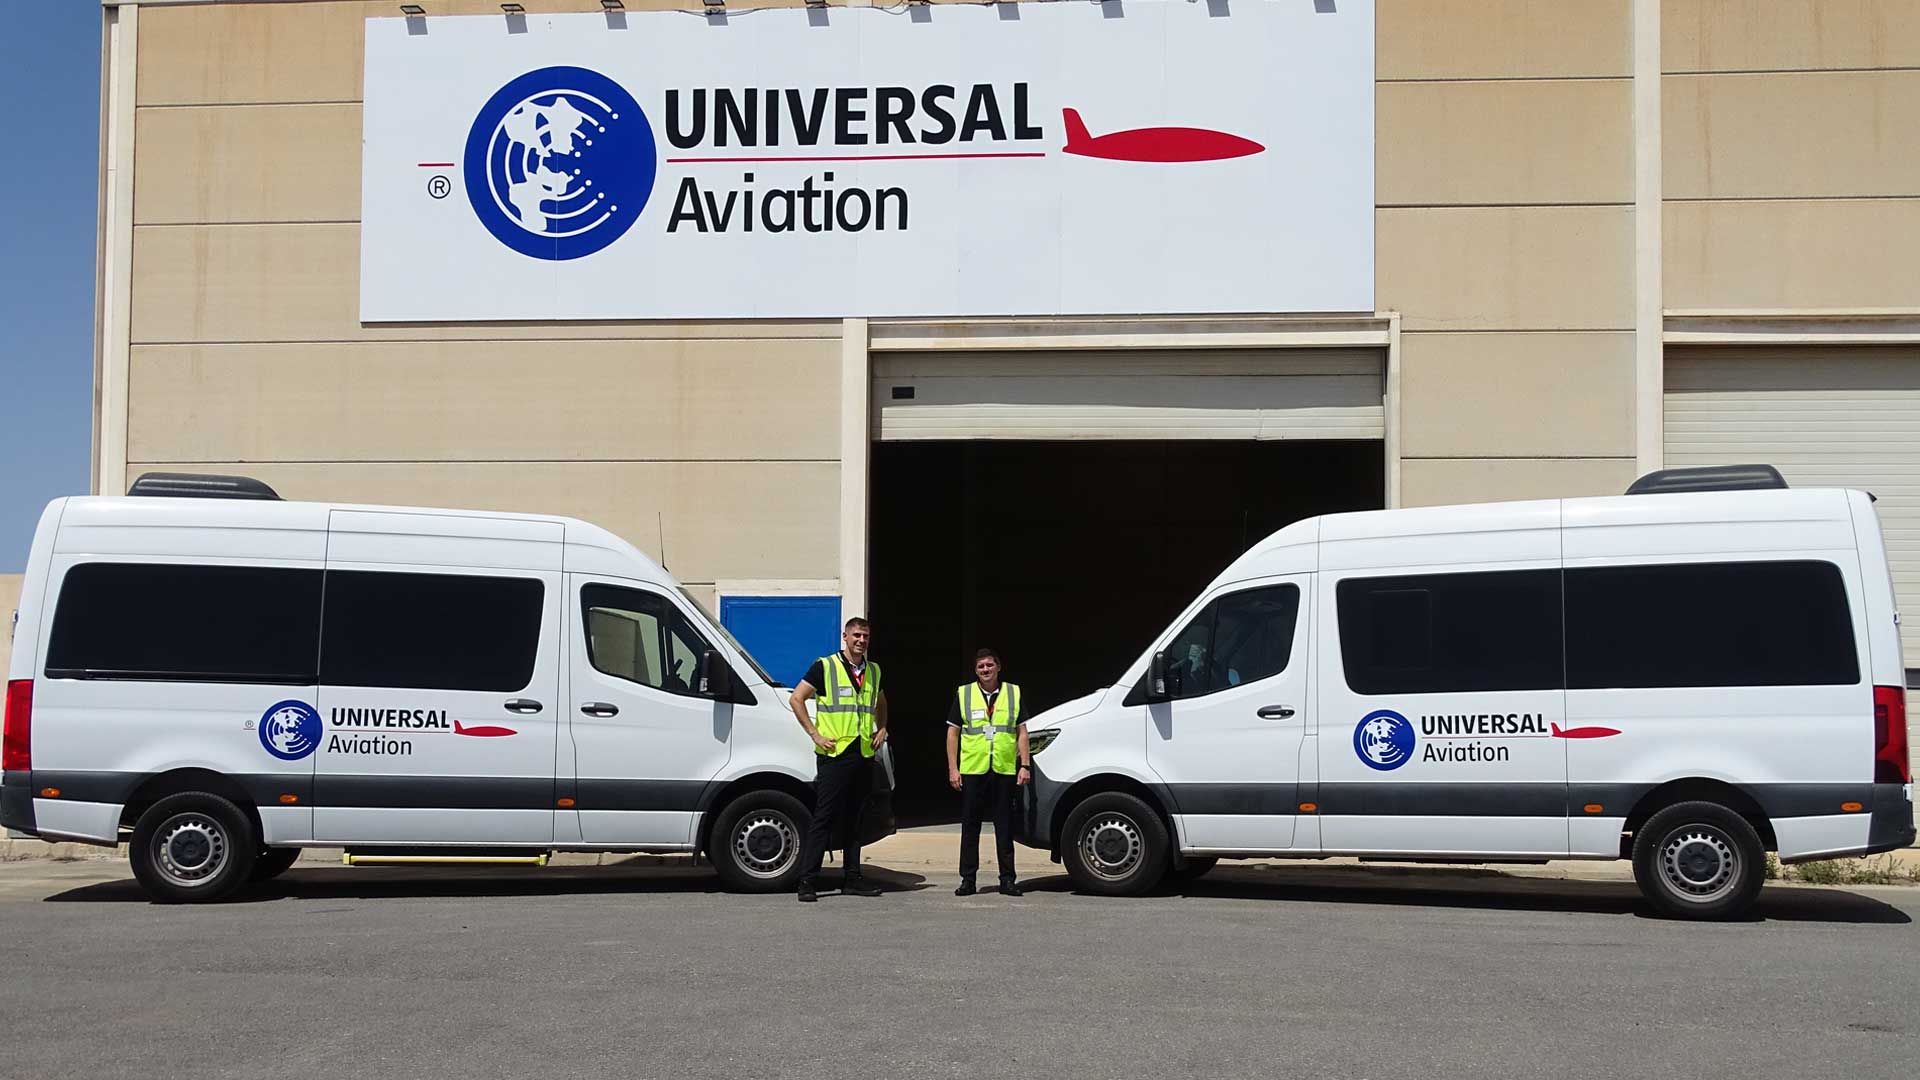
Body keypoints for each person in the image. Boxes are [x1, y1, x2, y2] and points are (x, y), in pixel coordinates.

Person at [788, 616, 888, 903]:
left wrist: (881, 726)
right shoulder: (825, 666)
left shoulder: (874, 670)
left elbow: (881, 702)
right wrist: (815, 734)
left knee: (856, 818)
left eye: (866, 636)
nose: (861, 641)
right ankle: (807, 880)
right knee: (824, 817)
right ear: (845, 636)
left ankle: (852, 878)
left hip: (863, 752)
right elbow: (797, 699)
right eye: (856, 635)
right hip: (834, 755)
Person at [947, 647, 1030, 896]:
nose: (985, 670)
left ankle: (1007, 880)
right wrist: (953, 768)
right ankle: (968, 880)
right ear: (976, 670)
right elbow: (952, 733)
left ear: (998, 667)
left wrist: (1024, 765)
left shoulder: (1013, 693)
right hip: (973, 769)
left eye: (989, 665)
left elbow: (1022, 732)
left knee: (1004, 825)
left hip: (1004, 769)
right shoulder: (964, 694)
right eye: (981, 666)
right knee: (970, 826)